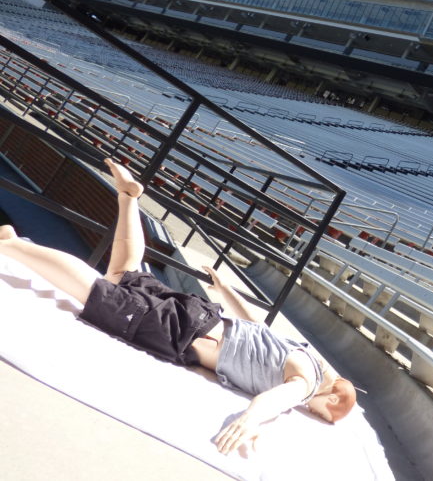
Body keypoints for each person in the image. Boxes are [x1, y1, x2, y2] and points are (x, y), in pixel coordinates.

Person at [0, 158, 356, 456]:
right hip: (190, 333)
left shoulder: (304, 353)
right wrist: (249, 421)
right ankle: (12, 246)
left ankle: (129, 198)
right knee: (97, 293)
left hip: (204, 316)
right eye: (326, 414)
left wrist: (225, 290)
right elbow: (276, 401)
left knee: (123, 273)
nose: (316, 413)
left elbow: (255, 322)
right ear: (332, 398)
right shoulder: (308, 383)